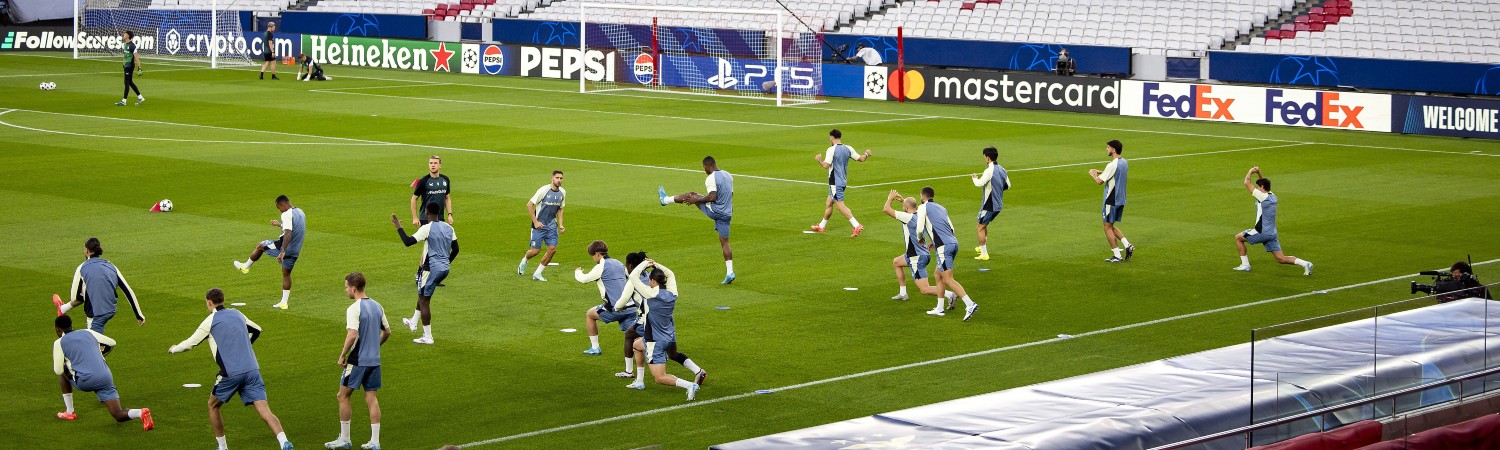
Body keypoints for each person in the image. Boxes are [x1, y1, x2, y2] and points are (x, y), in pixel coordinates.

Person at [168, 288, 293, 450]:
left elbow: (190, 343)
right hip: (252, 369)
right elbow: (257, 330)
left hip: (230, 373)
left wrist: (173, 349)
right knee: (264, 410)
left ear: (209, 302)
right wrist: (244, 346)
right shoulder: (237, 313)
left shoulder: (210, 320)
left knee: (213, 405)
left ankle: (222, 447)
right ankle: (284, 442)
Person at [620, 259, 703, 400]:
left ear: (652, 281)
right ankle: (639, 381)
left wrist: (645, 264)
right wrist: (656, 264)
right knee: (637, 346)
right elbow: (670, 274)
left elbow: (633, 276)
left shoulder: (650, 293)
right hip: (669, 335)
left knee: (659, 377)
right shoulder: (672, 293)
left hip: (655, 341)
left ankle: (690, 385)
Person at [51, 315, 154, 429]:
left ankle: (70, 412)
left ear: (58, 329)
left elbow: (58, 370)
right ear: (71, 325)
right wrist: (99, 354)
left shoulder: (59, 342)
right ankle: (141, 413)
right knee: (118, 414)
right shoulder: (87, 332)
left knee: (62, 375)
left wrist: (70, 371)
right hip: (105, 377)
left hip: (85, 381)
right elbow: (112, 342)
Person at [325, 272, 389, 450]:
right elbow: (388, 331)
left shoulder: (354, 309)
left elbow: (352, 334)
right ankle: (375, 442)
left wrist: (342, 355)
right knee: (371, 398)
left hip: (358, 360)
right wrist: (375, 346)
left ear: (353, 288)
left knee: (342, 396)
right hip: (374, 361)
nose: (346, 290)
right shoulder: (378, 306)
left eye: (346, 287)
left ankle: (345, 439)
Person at [659, 156, 736, 284]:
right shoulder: (728, 175)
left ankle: (665, 200)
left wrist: (697, 200)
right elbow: (730, 195)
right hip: (727, 213)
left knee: (692, 195)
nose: (704, 170)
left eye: (704, 168)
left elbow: (712, 197)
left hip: (715, 211)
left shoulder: (711, 178)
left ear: (708, 166)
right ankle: (730, 272)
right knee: (725, 242)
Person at [392, 203, 459, 345]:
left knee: (424, 301)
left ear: (426, 212)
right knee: (423, 294)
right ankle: (413, 322)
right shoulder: (449, 227)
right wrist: (446, 262)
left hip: (430, 269)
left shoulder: (427, 228)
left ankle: (428, 336)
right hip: (444, 269)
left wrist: (399, 228)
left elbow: (408, 242)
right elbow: (456, 249)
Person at [54, 237, 144, 335]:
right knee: (91, 288)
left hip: (95, 314)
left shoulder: (81, 268)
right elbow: (127, 290)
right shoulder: (110, 265)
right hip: (111, 309)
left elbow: (75, 298)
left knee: (92, 344)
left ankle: (64, 322)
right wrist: (139, 315)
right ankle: (62, 308)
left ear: (87, 250)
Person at [1233, 167, 1313, 275]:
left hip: (1261, 232)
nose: (1256, 188)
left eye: (1258, 186)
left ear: (1261, 187)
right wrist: (1259, 173)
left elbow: (1246, 183)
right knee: (1281, 258)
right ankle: (1305, 264)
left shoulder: (1262, 196)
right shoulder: (1273, 196)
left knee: (1238, 238)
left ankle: (1245, 265)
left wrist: (1251, 171)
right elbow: (1265, 184)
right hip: (1272, 233)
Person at [233, 195, 306, 310]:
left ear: (283, 205)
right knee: (286, 274)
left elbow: (288, 233)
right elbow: (294, 228)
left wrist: (282, 251)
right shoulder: (300, 212)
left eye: (279, 208)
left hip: (285, 247)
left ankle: (245, 267)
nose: (279, 210)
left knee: (261, 245)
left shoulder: (286, 214)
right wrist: (279, 224)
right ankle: (283, 303)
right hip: (296, 250)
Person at [916, 187, 978, 321]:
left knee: (948, 278)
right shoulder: (942, 208)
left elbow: (920, 228)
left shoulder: (922, 208)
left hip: (943, 246)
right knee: (938, 275)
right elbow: (951, 228)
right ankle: (939, 308)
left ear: (923, 196)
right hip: (953, 243)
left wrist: (920, 239)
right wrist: (934, 241)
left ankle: (970, 304)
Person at [575, 241, 639, 371]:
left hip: (615, 309)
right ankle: (654, 351)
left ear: (598, 254)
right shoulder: (618, 263)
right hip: (631, 307)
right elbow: (629, 276)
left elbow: (584, 279)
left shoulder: (601, 266)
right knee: (635, 335)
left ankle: (595, 347)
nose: (593, 258)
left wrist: (577, 272)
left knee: (590, 314)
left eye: (593, 255)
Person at [883, 190, 944, 302]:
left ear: (906, 208)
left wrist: (890, 199)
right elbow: (913, 206)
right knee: (897, 262)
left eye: (903, 206)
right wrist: (904, 200)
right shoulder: (920, 214)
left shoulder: (907, 217)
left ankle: (952, 294)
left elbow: (886, 209)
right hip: (922, 253)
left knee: (925, 289)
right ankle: (903, 294)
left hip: (916, 256)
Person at [810, 129, 872, 237]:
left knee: (840, 205)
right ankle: (821, 226)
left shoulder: (831, 149)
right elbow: (861, 159)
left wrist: (819, 160)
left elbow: (826, 165)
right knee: (829, 203)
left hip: (835, 182)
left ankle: (856, 225)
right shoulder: (848, 148)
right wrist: (866, 153)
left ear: (832, 137)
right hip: (842, 181)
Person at [1088, 140, 1134, 263]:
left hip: (1111, 200)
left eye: (1108, 147)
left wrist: (1093, 174)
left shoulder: (1111, 165)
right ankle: (1128, 245)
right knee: (1111, 225)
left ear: (1113, 149)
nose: (1106, 149)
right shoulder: (1124, 162)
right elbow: (1115, 174)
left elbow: (1099, 182)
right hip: (1121, 199)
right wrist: (1101, 172)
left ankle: (1117, 255)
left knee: (1107, 227)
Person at [519, 170, 566, 282]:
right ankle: (525, 259)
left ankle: (538, 273)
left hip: (551, 226)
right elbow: (530, 204)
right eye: (557, 178)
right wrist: (535, 222)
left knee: (552, 250)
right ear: (552, 178)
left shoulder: (562, 192)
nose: (559, 180)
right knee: (535, 251)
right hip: (539, 225)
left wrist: (560, 225)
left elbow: (560, 209)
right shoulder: (544, 190)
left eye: (561, 178)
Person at [971, 146, 1011, 261]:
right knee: (984, 225)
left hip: (989, 205)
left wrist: (974, 178)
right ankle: (981, 246)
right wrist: (997, 189)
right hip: (998, 204)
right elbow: (1008, 185)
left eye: (984, 157)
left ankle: (984, 253)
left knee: (980, 227)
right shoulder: (1002, 169)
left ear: (988, 158)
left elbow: (979, 183)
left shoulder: (989, 170)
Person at [410, 155, 452, 227]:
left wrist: (449, 214)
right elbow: (414, 198)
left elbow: (447, 197)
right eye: (431, 163)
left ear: (440, 165)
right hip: (426, 218)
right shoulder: (423, 181)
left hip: (440, 218)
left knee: (439, 238)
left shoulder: (445, 179)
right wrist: (415, 218)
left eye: (435, 163)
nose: (433, 165)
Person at [117, 30, 144, 106]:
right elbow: (125, 55)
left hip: (130, 66)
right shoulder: (125, 44)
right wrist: (123, 63)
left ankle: (124, 101)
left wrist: (139, 67)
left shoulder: (132, 46)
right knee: (130, 82)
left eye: (125, 34)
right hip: (126, 65)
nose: (123, 34)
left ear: (128, 36)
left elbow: (136, 57)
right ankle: (140, 97)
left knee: (126, 82)